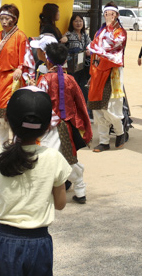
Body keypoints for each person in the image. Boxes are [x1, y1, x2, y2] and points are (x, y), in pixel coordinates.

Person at [0, 88, 71, 276]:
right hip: (40, 243)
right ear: (47, 127)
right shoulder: (54, 157)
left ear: (7, 120)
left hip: (4, 242)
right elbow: (60, 204)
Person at [37, 43, 93, 204]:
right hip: (67, 125)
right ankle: (80, 189)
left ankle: (46, 192)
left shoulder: (44, 80)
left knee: (48, 157)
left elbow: (39, 105)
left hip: (49, 127)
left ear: (48, 61)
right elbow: (81, 104)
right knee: (68, 158)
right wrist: (83, 125)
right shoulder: (70, 79)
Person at [0, 4, 34, 145]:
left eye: (7, 18)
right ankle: (4, 144)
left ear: (15, 19)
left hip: (13, 78)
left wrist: (20, 68)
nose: (4, 22)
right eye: (2, 18)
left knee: (10, 112)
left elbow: (26, 57)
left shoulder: (20, 36)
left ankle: (18, 142)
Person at [87, 2, 128, 152]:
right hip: (97, 71)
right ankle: (104, 141)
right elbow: (94, 50)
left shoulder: (120, 32)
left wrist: (110, 27)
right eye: (106, 13)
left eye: (111, 13)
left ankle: (120, 132)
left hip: (112, 73)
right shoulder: (100, 31)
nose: (108, 16)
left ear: (116, 15)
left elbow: (111, 46)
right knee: (98, 108)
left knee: (111, 108)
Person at [65, 13, 91, 104]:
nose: (78, 23)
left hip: (83, 66)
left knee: (84, 87)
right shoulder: (68, 35)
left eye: (80, 21)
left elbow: (90, 46)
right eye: (76, 21)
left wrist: (89, 51)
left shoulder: (85, 35)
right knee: (73, 86)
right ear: (72, 23)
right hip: (73, 67)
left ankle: (84, 106)